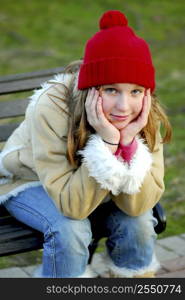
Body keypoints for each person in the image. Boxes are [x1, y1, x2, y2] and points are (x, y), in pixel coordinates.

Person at [0, 10, 172, 278]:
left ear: (146, 92)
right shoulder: (52, 105)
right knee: (70, 230)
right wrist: (106, 143)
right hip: (28, 181)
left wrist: (127, 146)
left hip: (88, 189)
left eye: (135, 90)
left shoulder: (143, 115)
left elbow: (138, 206)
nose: (123, 107)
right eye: (111, 90)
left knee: (138, 222)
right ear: (91, 89)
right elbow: (74, 208)